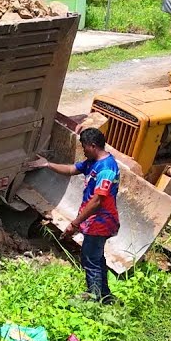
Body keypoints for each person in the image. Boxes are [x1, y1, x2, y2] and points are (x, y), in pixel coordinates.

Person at [30, 127, 120, 304]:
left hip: (100, 222)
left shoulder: (106, 168)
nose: (83, 150)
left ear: (93, 146)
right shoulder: (92, 162)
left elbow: (97, 201)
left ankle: (94, 299)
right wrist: (47, 164)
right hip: (94, 221)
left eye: (84, 147)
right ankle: (106, 296)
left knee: (90, 259)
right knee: (96, 258)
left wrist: (75, 223)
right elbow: (72, 169)